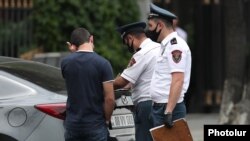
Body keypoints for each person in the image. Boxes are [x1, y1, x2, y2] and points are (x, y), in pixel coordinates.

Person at [61, 27, 115, 141]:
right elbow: (109, 99)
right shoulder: (103, 64)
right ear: (91, 39)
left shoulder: (65, 63)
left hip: (72, 125)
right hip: (95, 125)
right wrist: (107, 119)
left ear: (73, 45)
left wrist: (74, 53)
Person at [146, 3, 192, 128]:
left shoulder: (175, 46)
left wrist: (168, 111)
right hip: (161, 106)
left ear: (160, 25)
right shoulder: (165, 45)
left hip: (169, 107)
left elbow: (178, 80)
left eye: (150, 26)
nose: (148, 30)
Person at [114, 22, 160, 141]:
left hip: (146, 105)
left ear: (130, 38)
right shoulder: (160, 48)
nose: (128, 46)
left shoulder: (141, 54)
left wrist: (103, 85)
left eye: (126, 43)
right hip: (160, 103)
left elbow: (121, 82)